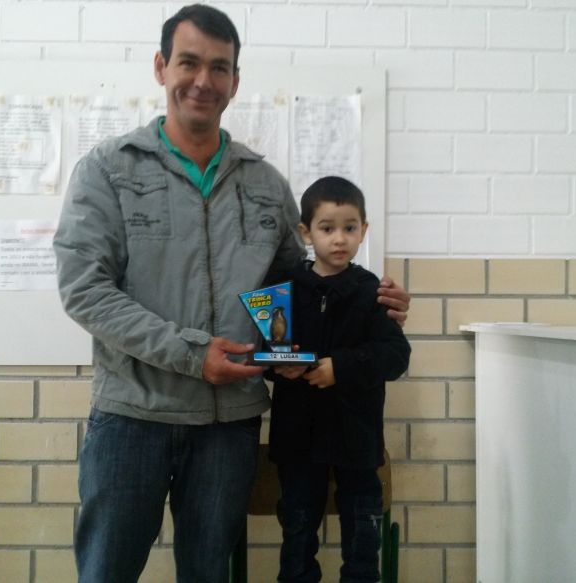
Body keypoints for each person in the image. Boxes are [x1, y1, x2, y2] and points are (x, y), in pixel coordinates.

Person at [53, 5, 411, 582]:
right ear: (161, 67)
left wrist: (372, 305)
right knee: (106, 573)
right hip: (132, 417)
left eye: (219, 68)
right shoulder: (109, 170)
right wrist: (193, 354)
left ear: (235, 81)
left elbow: (300, 290)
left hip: (229, 426)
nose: (203, 80)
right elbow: (85, 291)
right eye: (189, 63)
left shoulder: (265, 185)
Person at [267, 176, 411, 583]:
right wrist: (278, 365)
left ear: (364, 231)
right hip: (298, 438)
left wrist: (340, 368)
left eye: (349, 228)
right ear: (306, 232)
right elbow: (266, 349)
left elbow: (395, 357)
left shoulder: (373, 292)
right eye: (327, 228)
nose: (339, 239)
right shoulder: (283, 291)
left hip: (357, 440)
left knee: (363, 547)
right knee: (297, 539)